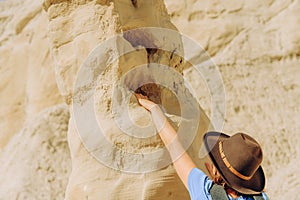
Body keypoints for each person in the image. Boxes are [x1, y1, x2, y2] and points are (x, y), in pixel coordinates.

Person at [134, 93, 269, 200]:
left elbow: (175, 147)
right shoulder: (262, 198)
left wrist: (154, 109)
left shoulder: (205, 191)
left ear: (217, 169)